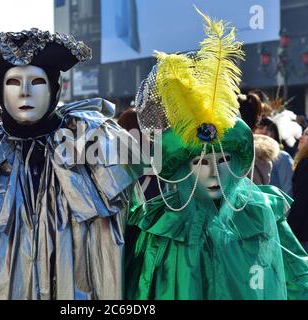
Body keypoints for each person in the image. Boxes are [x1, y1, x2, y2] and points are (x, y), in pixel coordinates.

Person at [0, 29, 144, 299]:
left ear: (54, 88)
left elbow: (136, 231)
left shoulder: (95, 143)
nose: (24, 93)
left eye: (36, 81)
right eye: (13, 82)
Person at [126, 10, 308, 300]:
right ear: (182, 167)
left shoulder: (260, 211)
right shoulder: (162, 224)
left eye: (222, 160)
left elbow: (298, 277)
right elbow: (141, 288)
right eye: (200, 162)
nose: (213, 173)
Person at [255, 117, 294, 196]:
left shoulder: (282, 157)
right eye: (261, 127)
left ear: (275, 134)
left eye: (269, 129)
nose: (264, 131)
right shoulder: (245, 155)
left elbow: (288, 191)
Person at [288, 127, 308, 251]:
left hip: (303, 236)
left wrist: (288, 232)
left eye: (306, 134)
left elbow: (300, 202)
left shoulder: (306, 165)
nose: (300, 138)